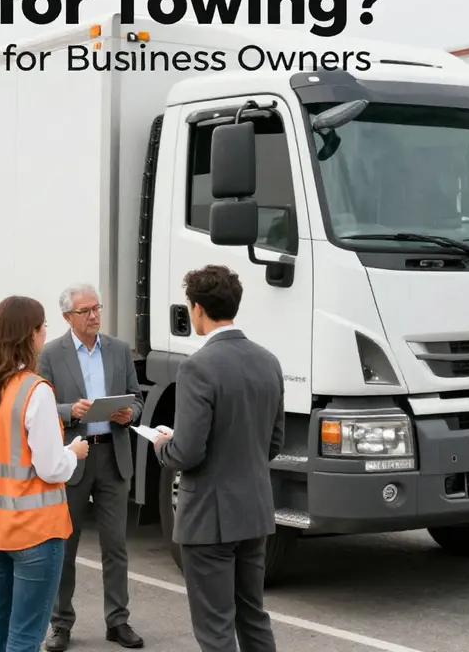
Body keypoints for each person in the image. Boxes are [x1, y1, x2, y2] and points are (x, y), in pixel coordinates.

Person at [153, 264, 285, 652]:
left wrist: (163, 445)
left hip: (209, 518)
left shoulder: (199, 367)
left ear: (197, 308)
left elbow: (189, 452)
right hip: (255, 511)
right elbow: (272, 443)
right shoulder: (268, 361)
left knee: (215, 630)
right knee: (252, 615)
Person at [0, 295, 90, 651]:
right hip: (35, 530)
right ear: (31, 334)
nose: (46, 331)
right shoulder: (36, 390)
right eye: (43, 325)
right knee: (26, 635)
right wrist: (74, 453)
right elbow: (51, 468)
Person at [40, 284, 145, 651]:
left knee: (115, 546)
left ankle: (118, 621)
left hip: (113, 455)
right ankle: (60, 623)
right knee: (64, 546)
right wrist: (71, 411)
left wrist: (128, 413)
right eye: (86, 311)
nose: (95, 316)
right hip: (74, 456)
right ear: (68, 317)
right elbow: (38, 407)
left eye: (97, 308)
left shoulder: (117, 349)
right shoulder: (52, 354)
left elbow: (138, 399)